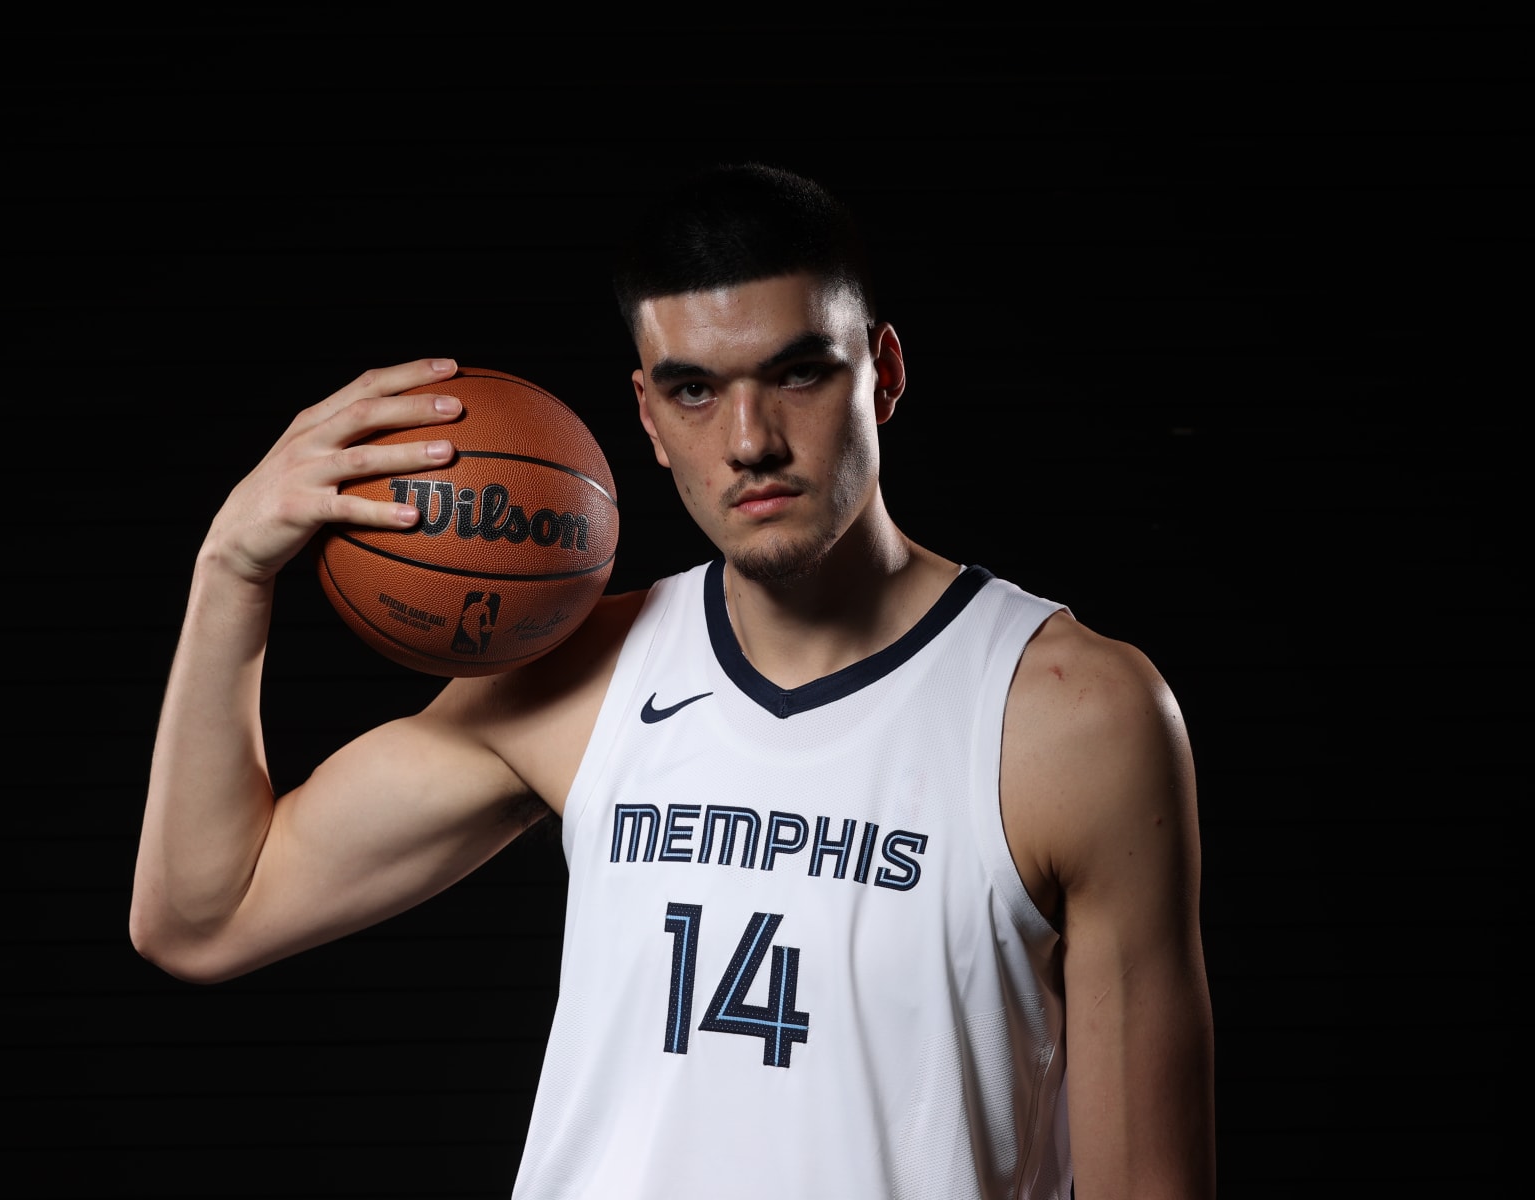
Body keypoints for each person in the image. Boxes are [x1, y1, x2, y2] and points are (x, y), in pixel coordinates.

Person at [131, 162, 1216, 1198]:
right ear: (647, 418)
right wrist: (230, 570)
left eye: (797, 373)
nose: (749, 441)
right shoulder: (582, 678)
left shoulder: (1073, 715)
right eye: (696, 390)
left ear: (881, 373)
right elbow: (205, 915)